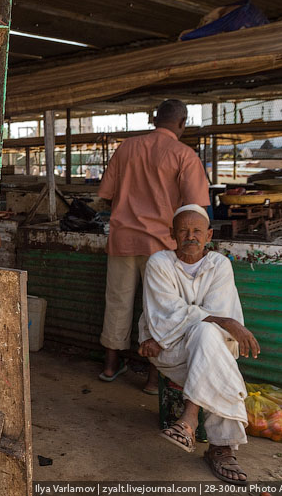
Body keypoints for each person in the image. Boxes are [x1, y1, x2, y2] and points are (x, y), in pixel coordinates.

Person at [97, 99, 210, 393]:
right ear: (182, 123)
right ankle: (152, 378)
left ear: (154, 119)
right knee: (159, 310)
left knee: (117, 303)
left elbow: (106, 194)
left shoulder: (125, 148)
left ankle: (110, 366)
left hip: (122, 239)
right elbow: (195, 209)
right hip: (161, 245)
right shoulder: (184, 155)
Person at [139, 205, 257, 485]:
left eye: (197, 231)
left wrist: (217, 322)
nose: (191, 236)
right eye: (184, 231)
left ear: (209, 235)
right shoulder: (159, 263)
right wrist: (227, 322)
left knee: (206, 334)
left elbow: (211, 321)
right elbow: (165, 312)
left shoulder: (219, 265)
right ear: (172, 234)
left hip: (200, 346)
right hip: (171, 351)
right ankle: (222, 450)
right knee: (209, 337)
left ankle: (188, 421)